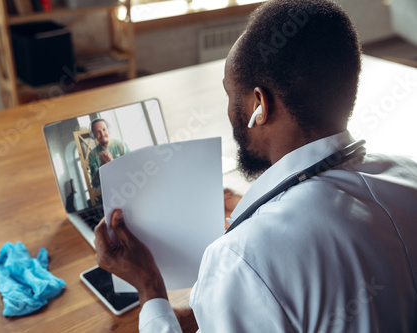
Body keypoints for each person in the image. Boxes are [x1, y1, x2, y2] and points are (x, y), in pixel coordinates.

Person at [94, 0, 417, 332]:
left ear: (259, 105)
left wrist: (149, 288)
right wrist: (257, 208)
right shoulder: (409, 175)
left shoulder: (243, 260)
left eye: (229, 94)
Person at [88, 118, 130, 189]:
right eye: (98, 132)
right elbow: (95, 183)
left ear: (109, 130)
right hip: (109, 191)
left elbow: (131, 169)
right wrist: (102, 166)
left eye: (104, 129)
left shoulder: (121, 145)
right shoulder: (92, 155)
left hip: (128, 185)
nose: (102, 134)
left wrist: (112, 163)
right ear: (94, 135)